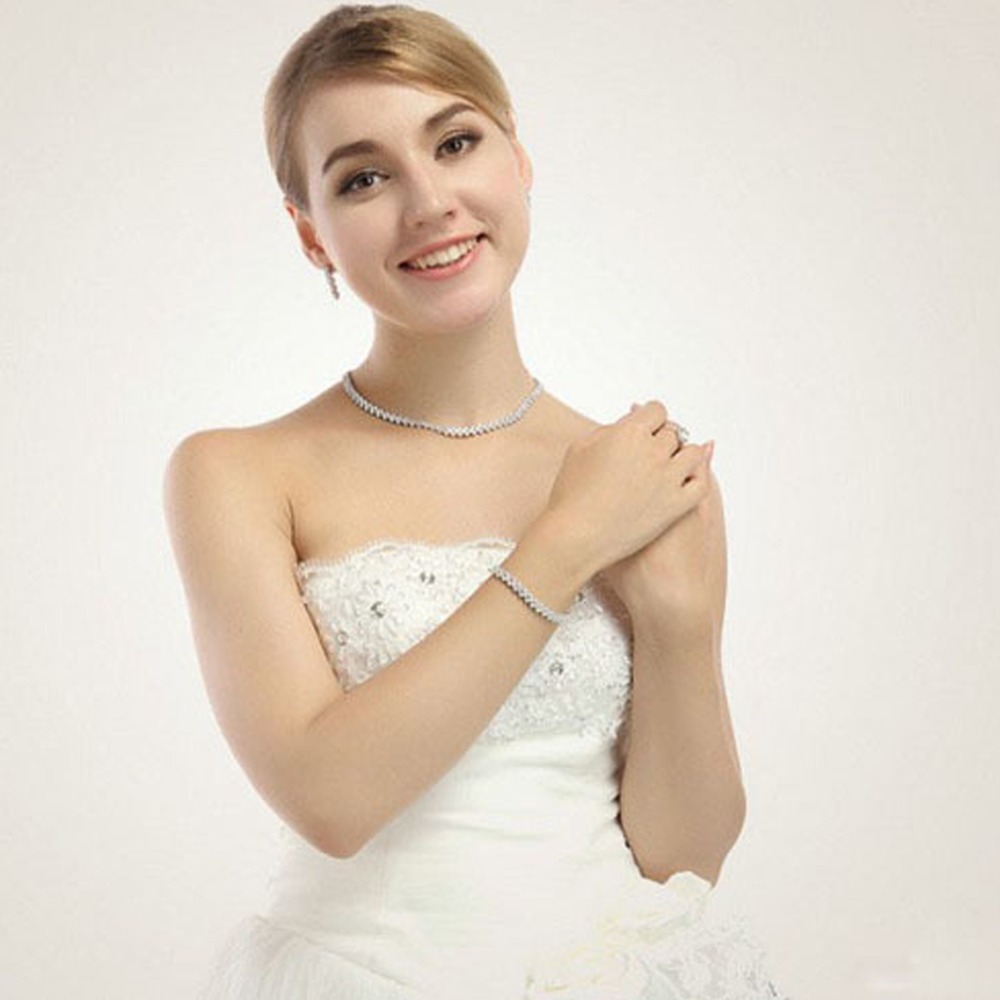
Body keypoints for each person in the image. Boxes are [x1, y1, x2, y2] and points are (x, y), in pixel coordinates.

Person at [163, 4, 791, 997]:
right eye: (363, 178)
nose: (428, 203)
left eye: (455, 142)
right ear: (311, 234)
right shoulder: (235, 472)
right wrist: (567, 541)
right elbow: (330, 800)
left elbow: (683, 862)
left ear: (519, 159)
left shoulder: (641, 472)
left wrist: (677, 624)